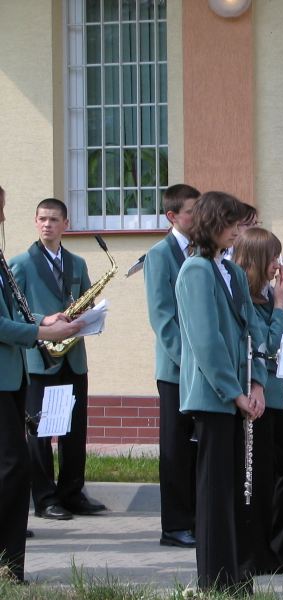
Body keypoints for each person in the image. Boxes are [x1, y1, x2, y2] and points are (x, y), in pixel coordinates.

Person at [175, 191, 267, 595]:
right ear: (212, 223)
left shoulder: (230, 271)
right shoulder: (196, 270)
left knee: (237, 490)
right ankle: (215, 579)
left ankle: (237, 575)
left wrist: (258, 382)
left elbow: (254, 330)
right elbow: (206, 341)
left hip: (240, 394)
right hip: (214, 397)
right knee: (215, 492)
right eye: (232, 223)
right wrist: (235, 393)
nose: (237, 230)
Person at [0, 185, 81, 583]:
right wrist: (42, 333)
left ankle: (10, 563)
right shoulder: (14, 259)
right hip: (8, 376)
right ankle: (8, 563)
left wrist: (42, 320)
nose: (3, 217)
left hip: (14, 375)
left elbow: (13, 311)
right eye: (0, 209)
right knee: (14, 465)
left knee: (14, 466)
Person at [10, 198, 106, 520]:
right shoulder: (21, 264)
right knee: (40, 433)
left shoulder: (77, 263)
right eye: (42, 219)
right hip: (40, 360)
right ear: (35, 222)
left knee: (74, 430)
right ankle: (45, 498)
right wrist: (45, 320)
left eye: (53, 219)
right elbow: (13, 312)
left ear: (66, 224)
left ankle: (72, 492)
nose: (47, 224)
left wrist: (91, 317)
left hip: (73, 358)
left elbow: (88, 302)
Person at [232, 227, 283, 575]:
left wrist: (279, 304)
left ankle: (282, 547)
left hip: (281, 395)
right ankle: (261, 553)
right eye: (273, 257)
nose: (278, 263)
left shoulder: (266, 293)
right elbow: (267, 343)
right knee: (260, 477)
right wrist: (279, 304)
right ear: (258, 259)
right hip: (259, 396)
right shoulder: (245, 297)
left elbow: (282, 338)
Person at [144, 183, 200, 548]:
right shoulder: (160, 254)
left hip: (200, 369)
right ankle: (175, 525)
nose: (198, 217)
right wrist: (188, 361)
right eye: (192, 212)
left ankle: (196, 517)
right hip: (177, 369)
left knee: (196, 447)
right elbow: (162, 318)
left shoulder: (201, 251)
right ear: (172, 216)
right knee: (177, 448)